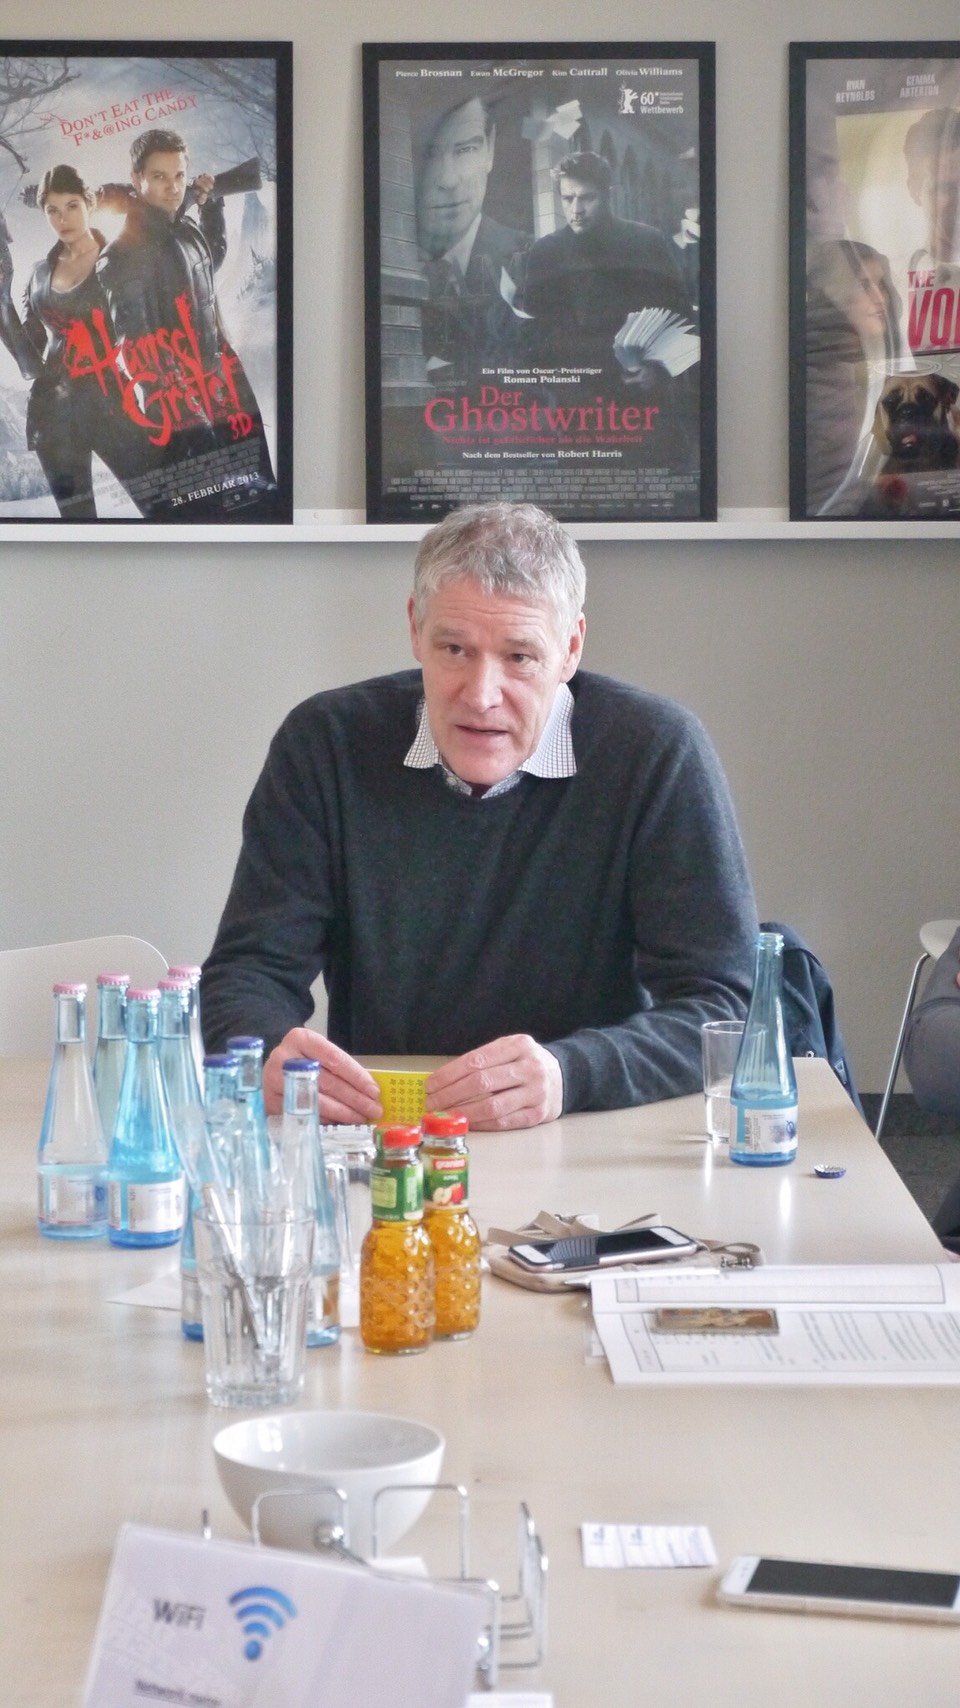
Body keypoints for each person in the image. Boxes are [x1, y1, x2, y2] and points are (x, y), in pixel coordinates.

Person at [200, 501, 758, 1130]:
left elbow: (726, 1009)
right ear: (416, 630)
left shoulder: (655, 752)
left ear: (570, 649)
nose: (481, 695)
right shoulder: (325, 744)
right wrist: (266, 1054)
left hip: (588, 1126)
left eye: (520, 657)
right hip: (392, 1136)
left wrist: (570, 1073)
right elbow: (248, 973)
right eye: (455, 649)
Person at [96, 127, 276, 519]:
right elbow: (139, 352)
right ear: (136, 179)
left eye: (179, 175)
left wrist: (211, 207)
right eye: (159, 176)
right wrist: (191, 423)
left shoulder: (186, 227)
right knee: (204, 522)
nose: (174, 187)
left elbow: (206, 264)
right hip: (180, 404)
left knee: (259, 505)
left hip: (223, 382)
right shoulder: (122, 254)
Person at [0, 164, 158, 519]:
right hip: (53, 417)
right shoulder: (39, 274)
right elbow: (30, 361)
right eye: (52, 210)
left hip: (113, 406)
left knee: (161, 506)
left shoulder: (118, 258)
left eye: (72, 205)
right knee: (78, 525)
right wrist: (2, 297)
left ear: (90, 203)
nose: (63, 218)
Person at [517, 151, 690, 376]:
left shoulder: (647, 241)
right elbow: (531, 329)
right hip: (569, 385)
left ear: (608, 194)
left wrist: (656, 370)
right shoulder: (544, 251)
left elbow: (680, 314)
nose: (576, 210)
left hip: (635, 384)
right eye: (568, 199)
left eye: (588, 198)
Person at [415, 95, 530, 386]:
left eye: (465, 149)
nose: (448, 180)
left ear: (490, 148)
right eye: (428, 154)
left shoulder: (532, 258)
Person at [805, 239, 903, 516]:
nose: (880, 298)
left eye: (881, 285)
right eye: (863, 286)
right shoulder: (814, 379)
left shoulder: (854, 367)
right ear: (831, 296)